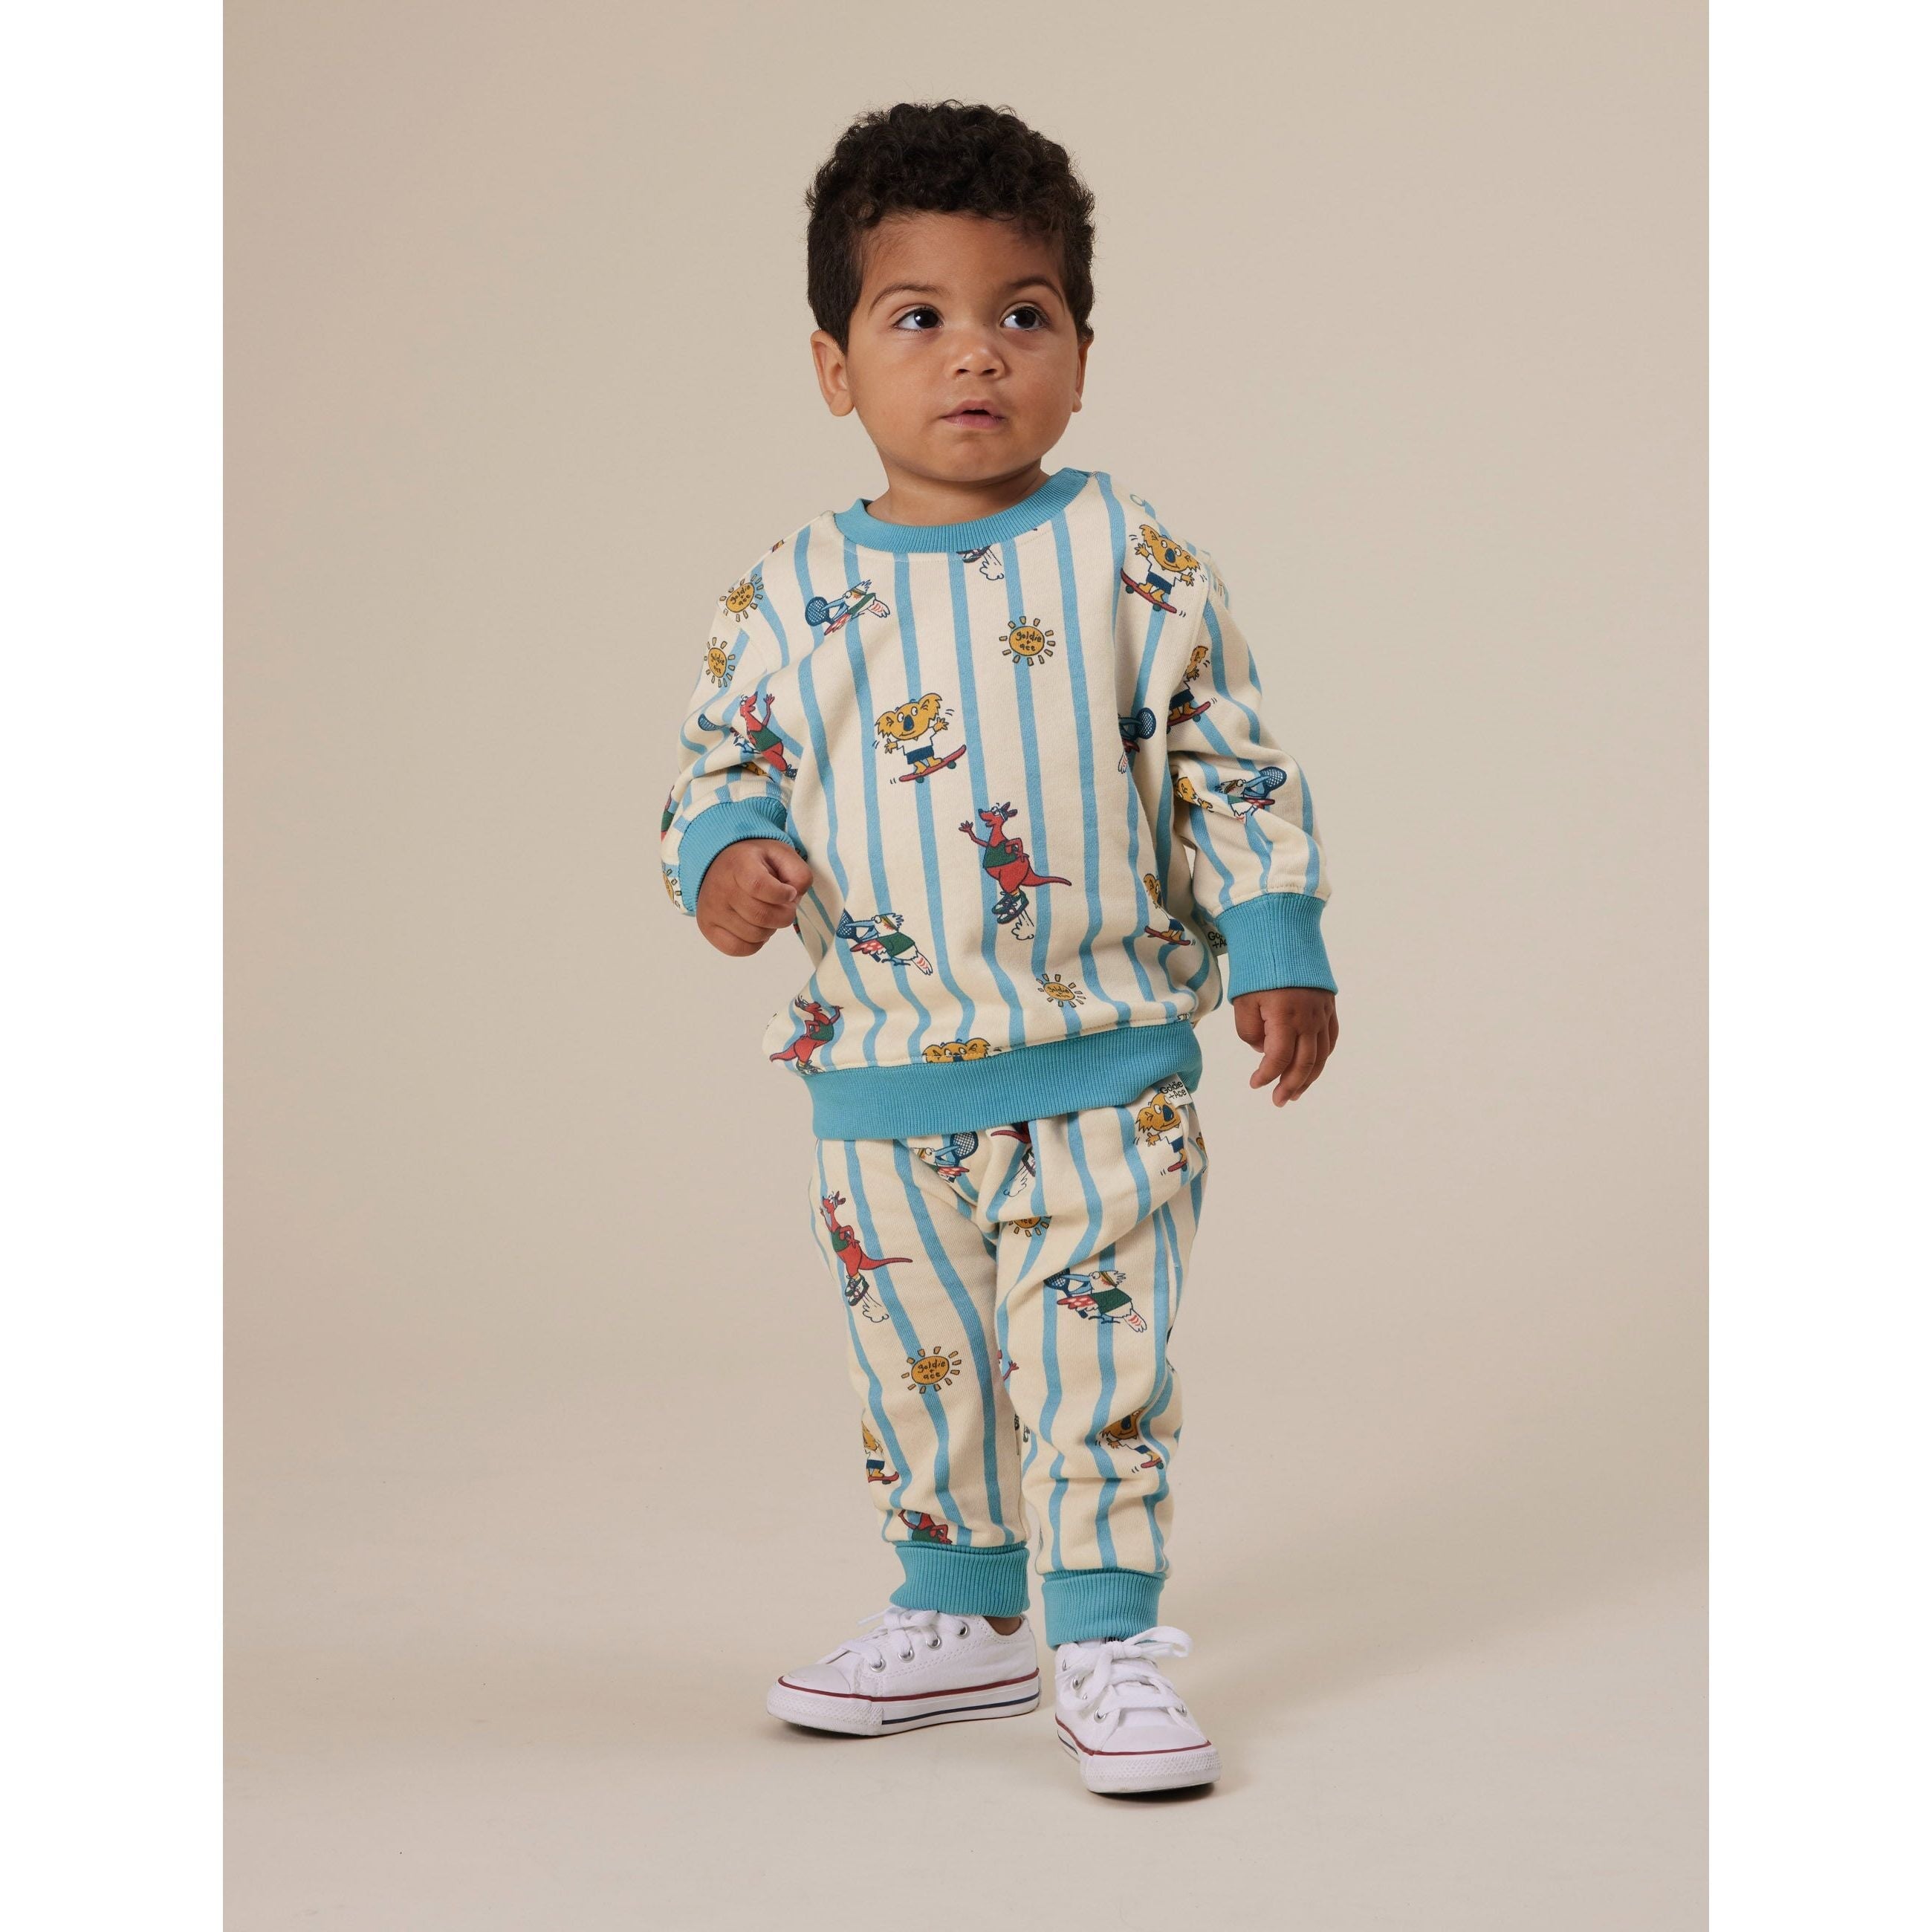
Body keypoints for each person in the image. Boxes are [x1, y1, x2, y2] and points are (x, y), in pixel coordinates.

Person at [659, 100, 1340, 1796]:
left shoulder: (1134, 560)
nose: (976, 354)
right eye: (920, 317)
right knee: (925, 1368)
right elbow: (717, 769)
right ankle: (962, 1616)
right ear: (835, 367)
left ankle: (1106, 1637)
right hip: (882, 1082)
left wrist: (1276, 935)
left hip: (1105, 1065)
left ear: (1082, 357)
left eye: (1022, 314)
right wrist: (725, 858)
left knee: (1097, 1365)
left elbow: (1230, 762)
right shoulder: (783, 595)